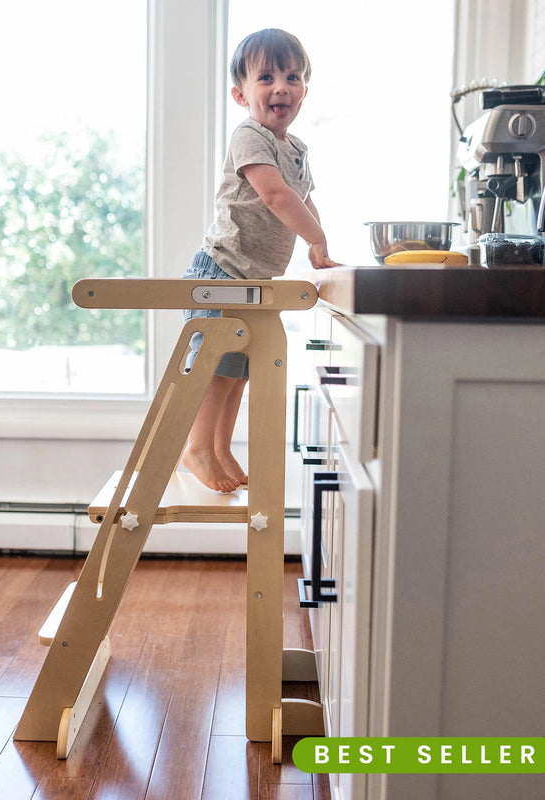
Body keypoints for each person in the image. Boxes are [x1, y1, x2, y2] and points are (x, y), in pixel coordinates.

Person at [181, 28, 339, 493]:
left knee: (237, 370)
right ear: (240, 93)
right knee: (213, 366)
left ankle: (220, 446)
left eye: (292, 77)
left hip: (253, 280)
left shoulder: (297, 150)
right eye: (266, 77)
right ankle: (196, 448)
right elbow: (274, 195)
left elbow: (303, 199)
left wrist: (318, 246)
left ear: (304, 92)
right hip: (222, 271)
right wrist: (316, 236)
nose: (281, 87)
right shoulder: (249, 135)